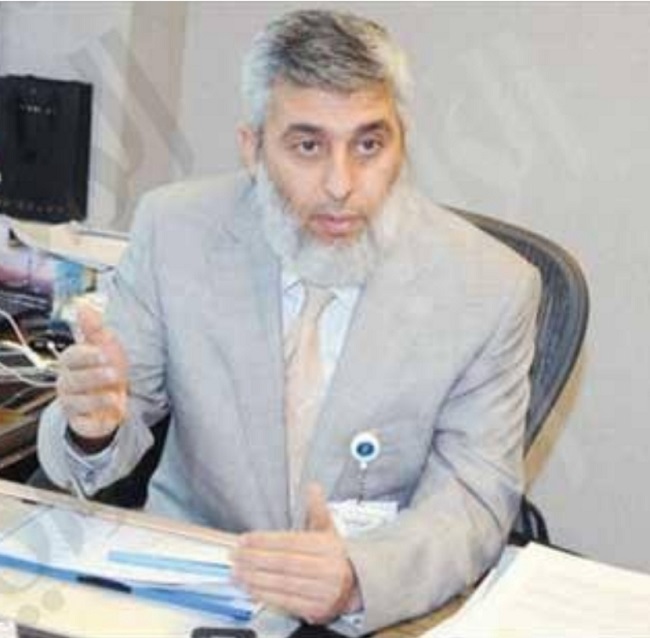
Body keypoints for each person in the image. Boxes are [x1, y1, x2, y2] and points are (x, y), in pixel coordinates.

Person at [37, 9, 541, 635]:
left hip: (370, 611)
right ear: (252, 148)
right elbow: (112, 426)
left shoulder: (490, 287)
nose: (341, 185)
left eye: (369, 145)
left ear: (402, 140)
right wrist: (93, 429)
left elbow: (473, 498)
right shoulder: (174, 231)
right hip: (191, 588)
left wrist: (357, 575)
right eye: (308, 146)